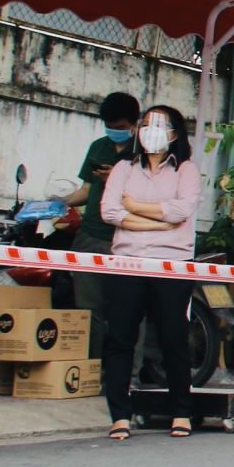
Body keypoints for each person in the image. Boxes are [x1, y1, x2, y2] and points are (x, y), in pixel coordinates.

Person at [98, 105, 201, 441]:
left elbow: (183, 210)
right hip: (128, 261)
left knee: (173, 337)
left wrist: (135, 207)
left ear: (175, 133)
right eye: (146, 124)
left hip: (171, 264)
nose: (150, 130)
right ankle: (120, 416)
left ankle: (181, 412)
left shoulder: (185, 170)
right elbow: (109, 211)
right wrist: (159, 221)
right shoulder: (123, 168)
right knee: (120, 338)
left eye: (159, 125)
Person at [62, 92, 141, 359]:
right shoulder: (98, 147)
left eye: (119, 128)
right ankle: (89, 369)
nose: (114, 132)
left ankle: (128, 376)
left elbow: (148, 199)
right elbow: (85, 189)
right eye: (109, 127)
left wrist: (116, 179)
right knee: (87, 310)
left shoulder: (144, 154)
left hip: (126, 239)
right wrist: (59, 202)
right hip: (90, 235)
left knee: (126, 310)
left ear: (134, 123)